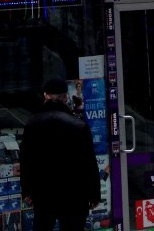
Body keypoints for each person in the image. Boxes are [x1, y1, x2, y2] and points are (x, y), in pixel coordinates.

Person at [19, 77, 101, 231]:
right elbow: (89, 162)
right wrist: (94, 194)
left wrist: (27, 190)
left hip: (43, 192)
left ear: (46, 96)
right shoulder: (78, 125)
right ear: (65, 97)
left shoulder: (32, 124)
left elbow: (26, 160)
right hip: (74, 193)